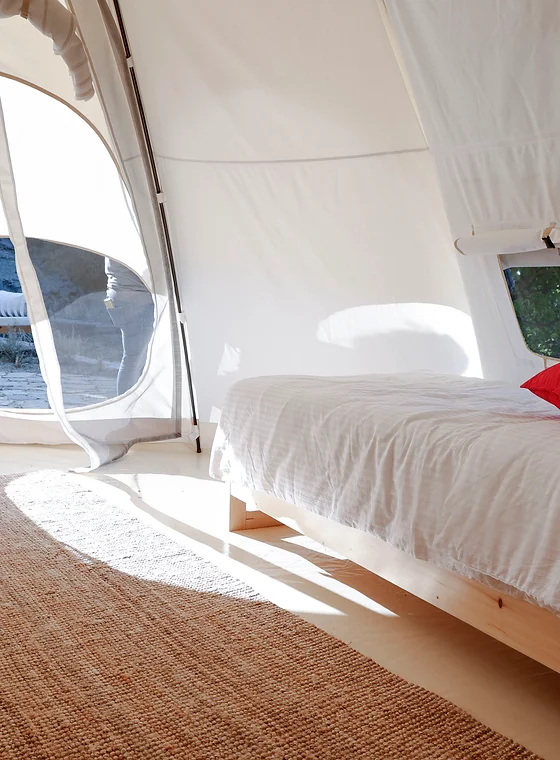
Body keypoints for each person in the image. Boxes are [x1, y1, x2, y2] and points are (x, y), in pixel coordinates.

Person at [104, 258, 154, 396]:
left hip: (118, 295)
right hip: (137, 299)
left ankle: (131, 402)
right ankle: (127, 405)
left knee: (134, 359)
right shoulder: (136, 245)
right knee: (134, 360)